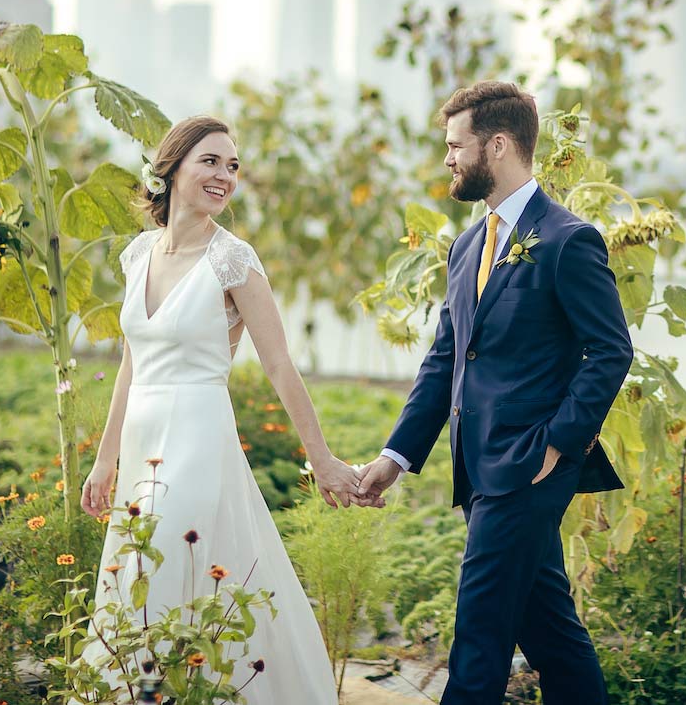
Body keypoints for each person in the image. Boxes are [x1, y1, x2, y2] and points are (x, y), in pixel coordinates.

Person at [356, 81, 634, 705]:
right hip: (478, 466)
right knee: (550, 632)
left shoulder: (567, 239)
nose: (448, 159)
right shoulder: (466, 246)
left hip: (530, 465)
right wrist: (394, 458)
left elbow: (611, 349)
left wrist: (560, 443)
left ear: (499, 144)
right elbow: (446, 360)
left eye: (456, 145)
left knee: (479, 632)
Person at [80, 115, 357, 703]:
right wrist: (104, 463)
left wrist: (323, 460)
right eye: (210, 161)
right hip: (140, 447)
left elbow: (280, 364)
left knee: (170, 572)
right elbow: (132, 365)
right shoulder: (137, 255)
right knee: (137, 580)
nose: (224, 176)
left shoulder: (233, 259)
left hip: (198, 439)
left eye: (232, 166)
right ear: (173, 165)